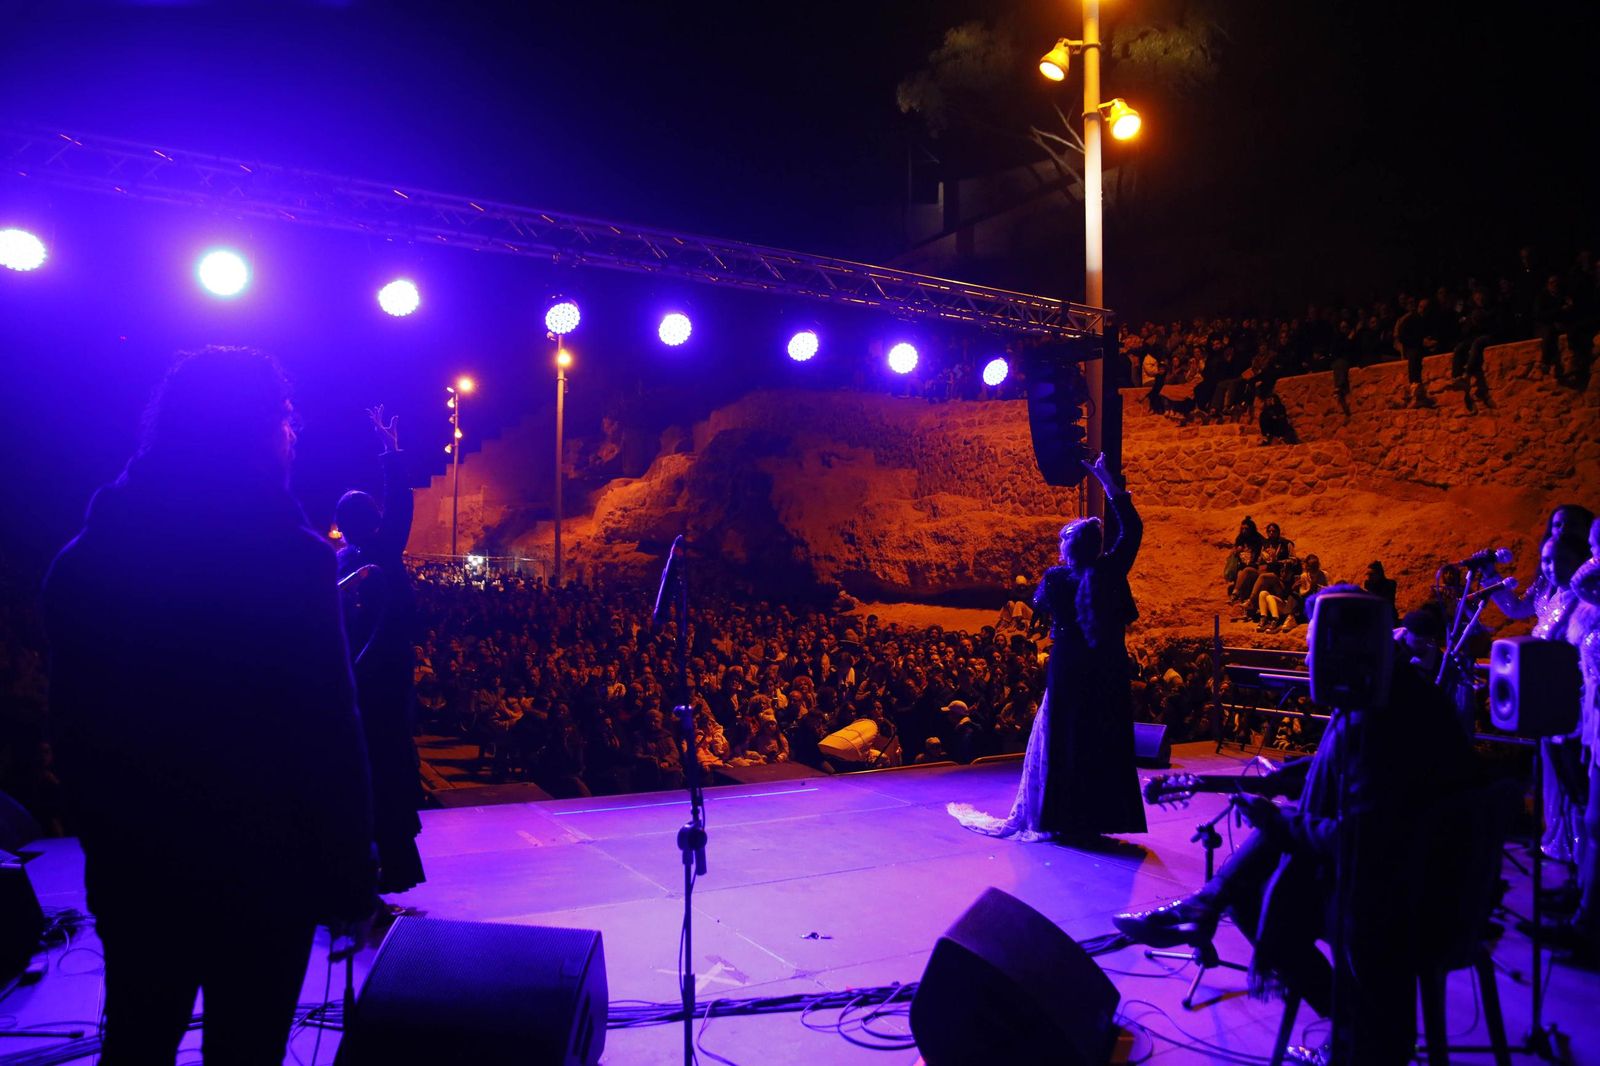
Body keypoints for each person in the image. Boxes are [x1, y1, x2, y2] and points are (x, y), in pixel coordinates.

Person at [43, 347, 375, 1064]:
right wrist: (351, 867)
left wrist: (107, 842)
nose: (294, 433)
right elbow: (326, 727)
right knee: (248, 1049)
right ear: (256, 430)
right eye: (284, 419)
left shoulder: (86, 558)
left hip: (138, 862)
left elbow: (70, 732)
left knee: (136, 1039)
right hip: (263, 866)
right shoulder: (293, 563)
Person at [1113, 586, 1480, 1064]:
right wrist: (1235, 784)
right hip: (1420, 878)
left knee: (1267, 882)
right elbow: (1339, 775)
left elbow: (1361, 836)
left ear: (1341, 650)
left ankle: (1351, 1026)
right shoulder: (1394, 694)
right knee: (1274, 854)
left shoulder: (1377, 719)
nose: (1307, 661)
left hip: (1410, 900)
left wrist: (1285, 824)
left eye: (1311, 649)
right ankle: (1351, 1024)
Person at [949, 453, 1145, 841]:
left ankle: (1061, 815)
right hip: (1107, 666)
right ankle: (1100, 817)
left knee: (1065, 739)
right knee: (1103, 737)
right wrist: (1108, 483)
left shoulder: (1056, 579)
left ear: (1067, 550)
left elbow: (1041, 607)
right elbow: (1133, 529)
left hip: (1069, 666)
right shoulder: (1110, 571)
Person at [336, 406, 426, 895]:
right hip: (378, 676)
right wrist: (390, 453)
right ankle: (381, 865)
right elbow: (401, 505)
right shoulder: (367, 554)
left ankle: (376, 865)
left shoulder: (356, 556)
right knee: (383, 764)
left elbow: (400, 504)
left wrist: (391, 452)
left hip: (370, 674)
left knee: (375, 764)